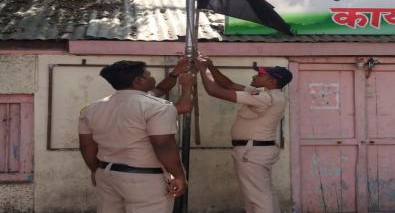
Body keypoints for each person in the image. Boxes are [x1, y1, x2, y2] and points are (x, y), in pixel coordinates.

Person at [78, 58, 193, 213]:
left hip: (107, 175)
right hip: (144, 180)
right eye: (149, 75)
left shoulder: (91, 109)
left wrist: (95, 171)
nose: (153, 78)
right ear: (138, 81)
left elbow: (86, 145)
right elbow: (163, 144)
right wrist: (179, 175)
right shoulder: (156, 107)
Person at [195, 56, 293, 213]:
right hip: (256, 151)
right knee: (262, 194)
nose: (255, 76)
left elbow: (214, 91)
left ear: (272, 82)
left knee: (258, 198)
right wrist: (211, 67)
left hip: (252, 152)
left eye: (260, 75)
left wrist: (202, 69)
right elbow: (228, 84)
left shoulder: (266, 97)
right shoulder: (265, 94)